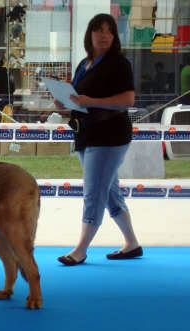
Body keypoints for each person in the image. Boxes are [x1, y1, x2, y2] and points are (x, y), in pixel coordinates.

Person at [56, 13, 141, 265]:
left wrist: (91, 101)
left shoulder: (119, 63)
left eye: (109, 30)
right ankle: (132, 244)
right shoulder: (84, 64)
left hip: (109, 135)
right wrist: (62, 98)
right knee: (110, 192)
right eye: (98, 30)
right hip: (87, 133)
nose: (103, 35)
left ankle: (80, 249)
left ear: (114, 36)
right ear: (89, 34)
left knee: (94, 192)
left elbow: (128, 100)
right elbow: (77, 100)